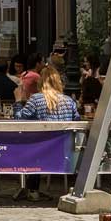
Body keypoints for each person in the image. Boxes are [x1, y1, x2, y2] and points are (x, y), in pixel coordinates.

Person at [12, 66, 79, 200]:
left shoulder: (36, 99)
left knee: (28, 146)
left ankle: (32, 189)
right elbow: (76, 120)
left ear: (41, 82)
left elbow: (19, 119)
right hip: (64, 148)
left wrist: (18, 101)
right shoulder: (69, 101)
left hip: (42, 147)